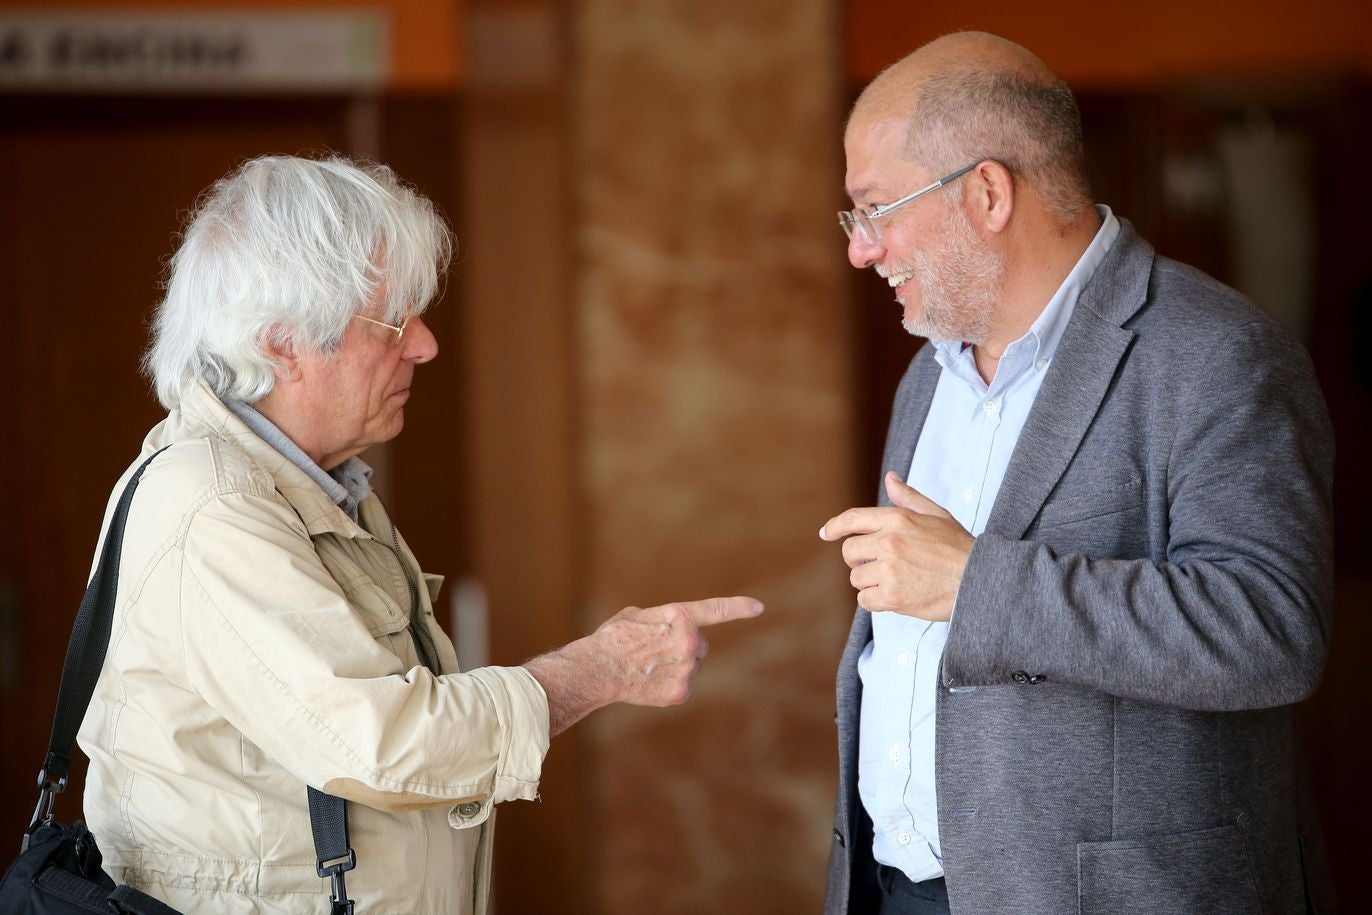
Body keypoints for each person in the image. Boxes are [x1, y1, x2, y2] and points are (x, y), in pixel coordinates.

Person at [76, 154, 762, 914]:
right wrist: (599, 669)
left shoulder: (317, 484)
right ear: (282, 343)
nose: (425, 343)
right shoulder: (214, 504)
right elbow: (382, 744)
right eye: (391, 321)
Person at [818, 32, 1335, 915]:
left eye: (874, 208)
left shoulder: (1217, 354)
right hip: (892, 890)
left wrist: (977, 582)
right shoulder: (926, 373)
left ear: (985, 193)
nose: (863, 249)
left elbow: (1272, 630)